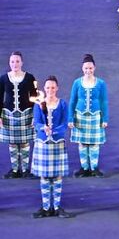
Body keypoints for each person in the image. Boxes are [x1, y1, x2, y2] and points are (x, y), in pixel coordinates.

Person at [31, 76, 73, 218]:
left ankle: (56, 207)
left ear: (57, 88)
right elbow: (36, 122)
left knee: (57, 176)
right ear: (44, 89)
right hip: (43, 143)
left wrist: (54, 131)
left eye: (53, 87)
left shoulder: (62, 104)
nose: (50, 90)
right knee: (44, 176)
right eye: (48, 88)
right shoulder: (38, 104)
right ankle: (45, 207)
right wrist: (43, 128)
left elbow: (64, 123)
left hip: (57, 143)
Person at [67, 54, 109, 177]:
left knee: (95, 142)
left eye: (90, 68)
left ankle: (94, 168)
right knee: (82, 142)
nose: (88, 71)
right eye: (86, 68)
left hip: (95, 116)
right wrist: (70, 118)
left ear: (94, 68)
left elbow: (104, 101)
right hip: (80, 116)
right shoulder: (77, 83)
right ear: (82, 68)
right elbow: (72, 101)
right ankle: (84, 168)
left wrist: (105, 118)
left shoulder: (101, 83)